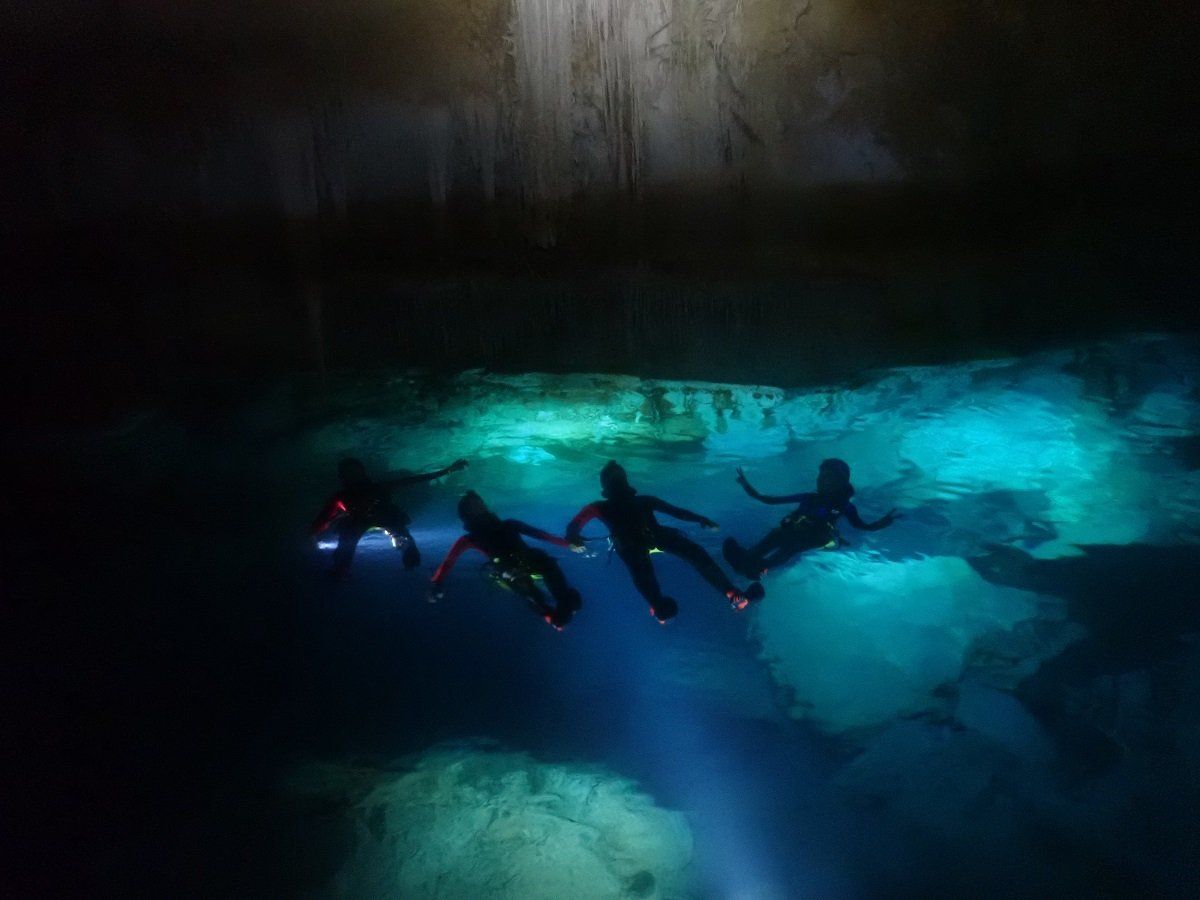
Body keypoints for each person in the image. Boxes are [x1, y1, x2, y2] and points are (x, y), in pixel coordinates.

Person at [565, 461, 763, 623]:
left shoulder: (599, 507)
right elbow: (677, 512)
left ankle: (659, 605)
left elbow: (574, 525)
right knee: (695, 554)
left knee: (643, 575)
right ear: (626, 482)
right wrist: (701, 519)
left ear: (605, 487)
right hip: (654, 536)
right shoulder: (642, 500)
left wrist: (573, 539)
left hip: (632, 545)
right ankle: (729, 592)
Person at [429, 491, 583, 630]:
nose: (479, 507)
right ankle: (555, 619)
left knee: (542, 563)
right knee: (532, 594)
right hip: (509, 571)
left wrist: (569, 544)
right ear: (466, 514)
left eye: (479, 503)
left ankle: (565, 604)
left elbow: (542, 535)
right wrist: (437, 583)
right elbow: (448, 561)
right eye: (473, 506)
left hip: (529, 561)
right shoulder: (470, 539)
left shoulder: (509, 525)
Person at [723, 458, 898, 579]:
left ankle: (759, 567)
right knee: (773, 540)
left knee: (789, 549)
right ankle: (749, 562)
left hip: (813, 538)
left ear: (841, 483)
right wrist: (746, 485)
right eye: (820, 476)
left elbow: (861, 526)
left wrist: (880, 524)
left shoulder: (844, 506)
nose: (820, 481)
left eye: (827, 478)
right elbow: (768, 499)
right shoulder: (811, 498)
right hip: (790, 530)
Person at [310, 456, 468, 578]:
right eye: (349, 473)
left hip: (386, 517)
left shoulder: (378, 488)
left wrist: (448, 470)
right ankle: (340, 571)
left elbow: (414, 480)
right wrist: (313, 533)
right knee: (345, 544)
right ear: (343, 477)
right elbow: (324, 517)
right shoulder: (342, 497)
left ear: (363, 472)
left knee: (404, 541)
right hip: (359, 521)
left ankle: (410, 565)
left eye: (356, 471)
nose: (354, 476)